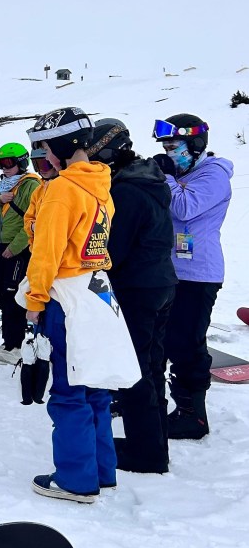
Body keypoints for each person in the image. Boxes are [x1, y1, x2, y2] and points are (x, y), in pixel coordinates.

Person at [23, 107, 116, 504]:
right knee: (93, 385)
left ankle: (76, 480)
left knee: (67, 390)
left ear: (61, 144)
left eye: (44, 147)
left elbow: (46, 252)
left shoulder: (61, 189)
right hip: (97, 292)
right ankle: (101, 469)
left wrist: (34, 302)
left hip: (65, 297)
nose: (43, 155)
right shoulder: (98, 183)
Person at [88, 119, 178, 474]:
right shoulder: (149, 180)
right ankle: (154, 443)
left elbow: (113, 250)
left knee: (134, 371)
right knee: (152, 368)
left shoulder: (125, 191)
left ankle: (146, 454)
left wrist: (92, 276)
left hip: (138, 288)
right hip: (160, 284)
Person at [151, 114, 233, 439]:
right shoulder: (184, 172)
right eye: (165, 146)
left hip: (200, 274)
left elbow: (185, 208)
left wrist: (166, 178)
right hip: (172, 271)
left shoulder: (214, 176)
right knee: (163, 339)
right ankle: (157, 400)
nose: (170, 151)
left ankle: (192, 414)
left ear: (195, 144)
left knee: (186, 343)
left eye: (174, 145)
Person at [0, 143, 40, 364]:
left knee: (14, 296)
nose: (5, 168)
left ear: (21, 163)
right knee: (1, 294)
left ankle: (17, 345)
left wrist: (15, 247)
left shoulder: (31, 186)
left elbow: (34, 221)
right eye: (1, 163)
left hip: (17, 249)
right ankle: (8, 342)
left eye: (9, 163)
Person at [24, 145, 60, 249]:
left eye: (44, 165)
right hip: (39, 249)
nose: (41, 170)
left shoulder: (65, 187)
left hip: (58, 249)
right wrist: (32, 227)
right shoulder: (38, 191)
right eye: (37, 165)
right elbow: (28, 219)